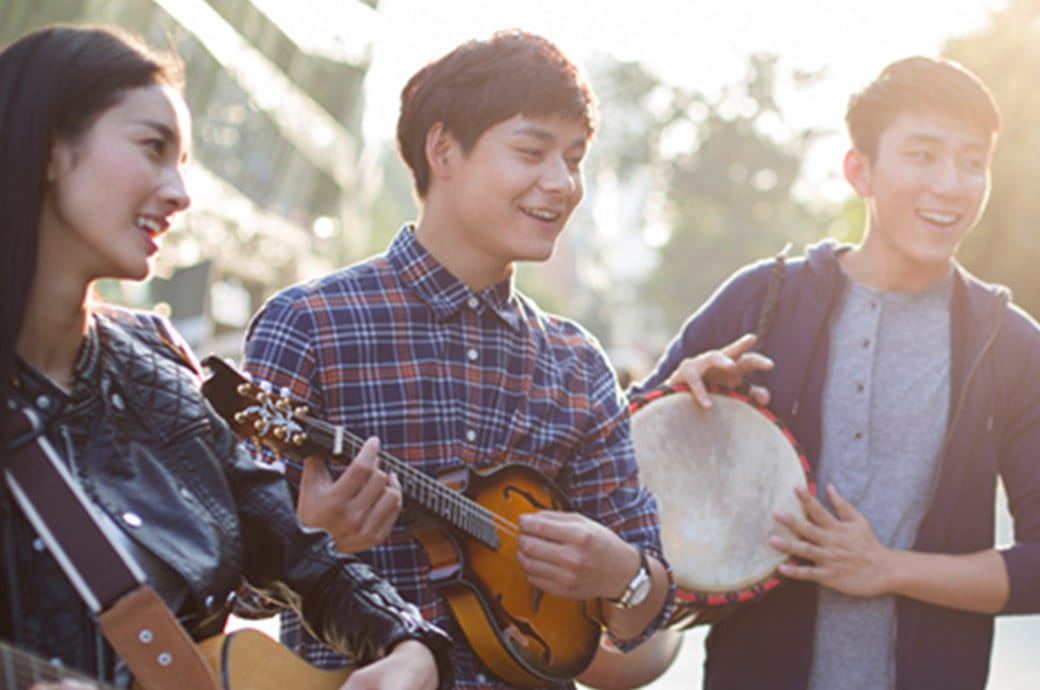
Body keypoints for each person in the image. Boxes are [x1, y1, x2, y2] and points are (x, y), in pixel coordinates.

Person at [0, 24, 455, 690]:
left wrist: (410, 646)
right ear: (47, 145)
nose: (180, 195)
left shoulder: (156, 366)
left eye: (182, 163)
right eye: (152, 148)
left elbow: (307, 560)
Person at [241, 30, 677, 690]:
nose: (561, 184)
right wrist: (308, 534)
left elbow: (645, 616)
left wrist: (625, 574)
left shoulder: (577, 363)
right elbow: (231, 584)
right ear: (442, 149)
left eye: (576, 158)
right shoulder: (309, 325)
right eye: (532, 151)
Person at [632, 56, 1040, 689]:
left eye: (972, 162)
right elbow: (617, 466)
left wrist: (889, 568)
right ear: (861, 171)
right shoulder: (760, 301)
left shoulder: (1010, 344)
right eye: (923, 155)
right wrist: (678, 399)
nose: (951, 185)